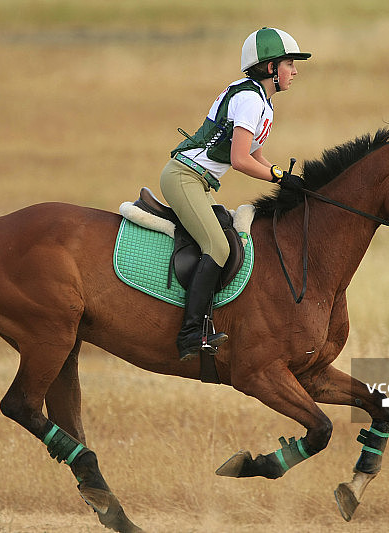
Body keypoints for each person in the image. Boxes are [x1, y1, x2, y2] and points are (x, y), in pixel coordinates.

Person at [160, 27, 310, 361]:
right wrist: (275, 176)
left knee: (229, 238)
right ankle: (189, 336)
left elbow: (254, 154)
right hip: (184, 177)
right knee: (217, 246)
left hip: (197, 182)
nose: (295, 71)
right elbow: (239, 160)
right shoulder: (249, 100)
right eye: (289, 64)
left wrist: (284, 177)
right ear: (271, 68)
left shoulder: (262, 101)